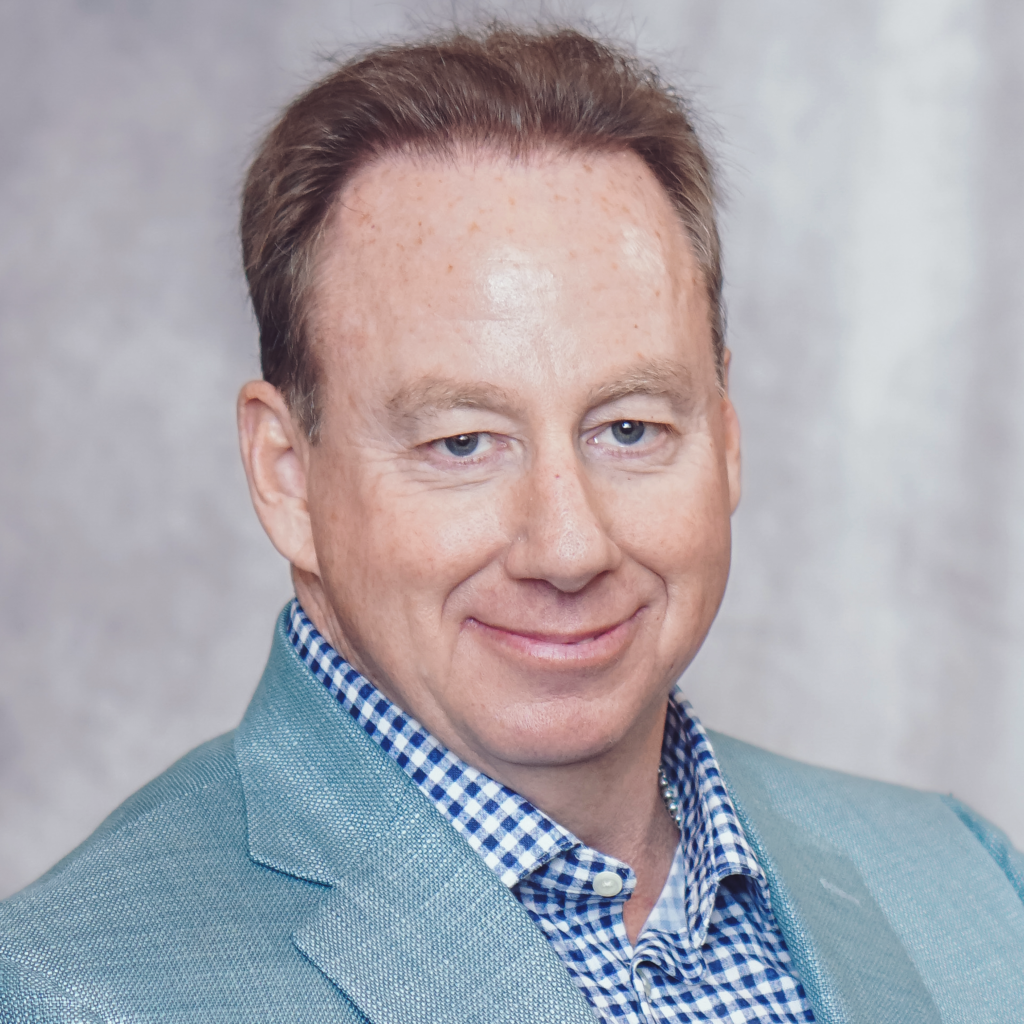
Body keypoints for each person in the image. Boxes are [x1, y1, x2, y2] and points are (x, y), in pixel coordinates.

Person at [1, 24, 1022, 1024]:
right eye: (462, 443)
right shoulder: (68, 991)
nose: (568, 548)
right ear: (286, 476)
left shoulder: (972, 885)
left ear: (725, 441)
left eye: (629, 428)